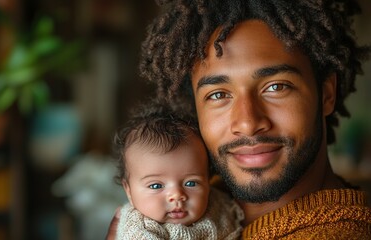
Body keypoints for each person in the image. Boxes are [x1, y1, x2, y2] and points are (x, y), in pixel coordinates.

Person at [107, 0, 371, 239]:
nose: (247, 123)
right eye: (218, 94)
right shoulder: (204, 197)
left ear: (326, 94)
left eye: (276, 87)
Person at [112, 101, 244, 239]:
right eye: (156, 185)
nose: (176, 195)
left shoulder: (219, 203)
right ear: (129, 191)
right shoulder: (138, 227)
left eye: (191, 183)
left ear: (208, 181)